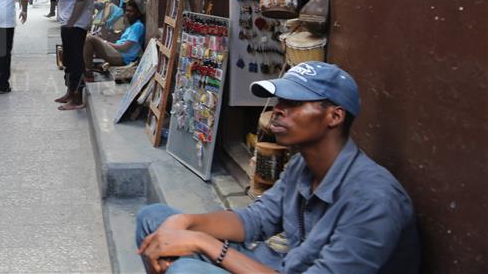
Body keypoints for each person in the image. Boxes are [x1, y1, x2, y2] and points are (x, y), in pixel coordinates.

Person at [136, 62, 419, 274]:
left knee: (188, 271)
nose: (278, 110)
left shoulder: (373, 198)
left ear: (334, 116)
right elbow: (255, 220)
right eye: (280, 101)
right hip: (282, 265)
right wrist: (186, 223)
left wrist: (202, 242)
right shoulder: (302, 166)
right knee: (155, 218)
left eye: (294, 103)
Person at [55, 0, 94, 110]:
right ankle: (70, 92)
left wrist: (71, 21)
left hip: (76, 24)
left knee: (76, 60)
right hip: (70, 22)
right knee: (69, 59)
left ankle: (78, 100)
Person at [83, 0, 145, 81]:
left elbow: (124, 47)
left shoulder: (138, 26)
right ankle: (85, 68)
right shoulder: (131, 26)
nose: (127, 13)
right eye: (127, 11)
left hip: (121, 57)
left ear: (138, 13)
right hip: (117, 53)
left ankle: (89, 73)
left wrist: (106, 43)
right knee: (90, 39)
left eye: (131, 12)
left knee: (89, 38)